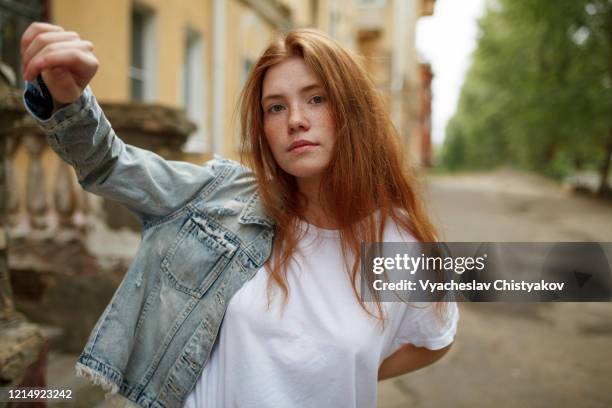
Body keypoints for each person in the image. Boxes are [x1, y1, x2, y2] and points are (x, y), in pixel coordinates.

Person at [21, 22, 459, 408]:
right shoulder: (222, 198)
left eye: (317, 98)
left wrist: (350, 368)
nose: (296, 121)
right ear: (263, 127)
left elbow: (435, 338)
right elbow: (109, 164)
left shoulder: (397, 242)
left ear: (353, 111)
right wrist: (69, 97)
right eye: (276, 106)